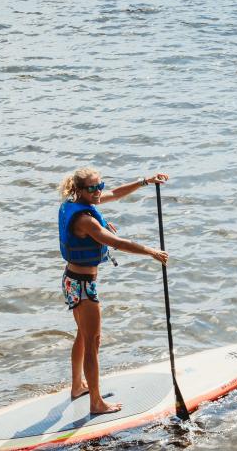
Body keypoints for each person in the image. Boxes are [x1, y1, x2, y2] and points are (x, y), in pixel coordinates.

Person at [57, 167, 169, 415]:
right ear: (79, 190)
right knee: (93, 342)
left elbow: (116, 193)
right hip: (84, 286)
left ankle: (77, 386)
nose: (99, 192)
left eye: (100, 186)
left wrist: (145, 181)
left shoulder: (74, 202)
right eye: (93, 188)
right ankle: (96, 402)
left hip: (70, 279)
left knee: (82, 336)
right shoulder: (85, 220)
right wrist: (151, 251)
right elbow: (117, 243)